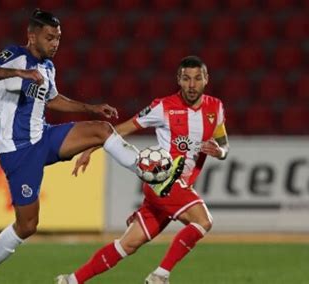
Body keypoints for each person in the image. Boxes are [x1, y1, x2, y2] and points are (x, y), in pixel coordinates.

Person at [0, 9, 183, 284]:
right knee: (28, 225)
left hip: (43, 137)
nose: (55, 43)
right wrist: (19, 72)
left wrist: (90, 108)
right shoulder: (15, 55)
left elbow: (53, 99)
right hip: (18, 150)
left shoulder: (47, 67)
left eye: (58, 38)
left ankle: (151, 173)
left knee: (101, 130)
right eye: (50, 38)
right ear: (32, 36)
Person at [56, 56, 230, 284]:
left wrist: (220, 152)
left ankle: (71, 281)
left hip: (180, 187)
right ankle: (160, 275)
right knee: (203, 221)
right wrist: (92, 147)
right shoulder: (163, 107)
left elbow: (224, 144)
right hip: (163, 180)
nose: (191, 84)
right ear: (178, 80)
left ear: (206, 79)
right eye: (186, 78)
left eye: (197, 78)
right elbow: (125, 128)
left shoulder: (215, 107)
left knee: (127, 244)